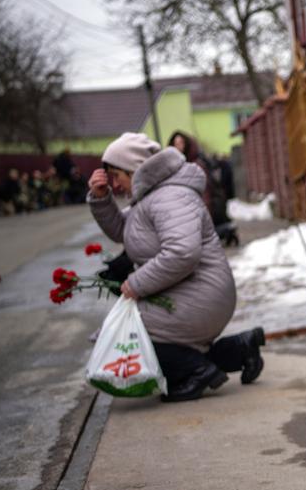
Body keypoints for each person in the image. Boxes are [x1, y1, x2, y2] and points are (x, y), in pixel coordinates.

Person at [86, 132, 266, 402]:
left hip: (203, 292)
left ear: (134, 169)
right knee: (166, 345)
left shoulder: (169, 197)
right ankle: (240, 350)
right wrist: (101, 199)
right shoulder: (151, 198)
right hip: (190, 291)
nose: (115, 184)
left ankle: (199, 373)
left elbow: (182, 253)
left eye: (116, 176)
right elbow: (127, 232)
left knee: (135, 332)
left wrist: (136, 284)